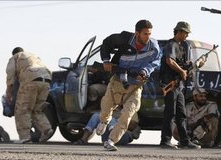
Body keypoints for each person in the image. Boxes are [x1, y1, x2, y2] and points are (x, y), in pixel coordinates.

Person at [95, 19, 162, 151]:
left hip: (135, 85)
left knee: (127, 115)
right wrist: (106, 61)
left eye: (149, 34)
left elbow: (156, 61)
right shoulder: (123, 39)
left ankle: (111, 141)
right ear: (137, 33)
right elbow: (106, 44)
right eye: (145, 34)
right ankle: (104, 121)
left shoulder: (153, 46)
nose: (148, 37)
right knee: (106, 106)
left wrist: (145, 71)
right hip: (118, 80)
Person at [159, 21, 201, 149]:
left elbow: (184, 64)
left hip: (179, 86)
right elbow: (169, 61)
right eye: (185, 33)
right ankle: (165, 141)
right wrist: (182, 71)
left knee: (181, 114)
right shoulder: (171, 44)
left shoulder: (182, 46)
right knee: (170, 113)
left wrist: (195, 65)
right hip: (170, 84)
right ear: (180, 31)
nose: (186, 36)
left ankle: (184, 141)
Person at [5, 47, 54, 143]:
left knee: (22, 109)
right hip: (46, 81)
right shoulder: (34, 56)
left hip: (31, 80)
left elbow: (10, 74)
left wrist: (8, 93)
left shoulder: (15, 57)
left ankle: (25, 137)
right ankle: (46, 129)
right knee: (37, 109)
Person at [75, 109, 141, 146]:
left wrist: (119, 121)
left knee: (110, 119)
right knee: (96, 115)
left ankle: (112, 138)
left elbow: (133, 125)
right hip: (107, 137)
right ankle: (84, 139)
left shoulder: (129, 109)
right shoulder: (109, 110)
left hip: (123, 135)